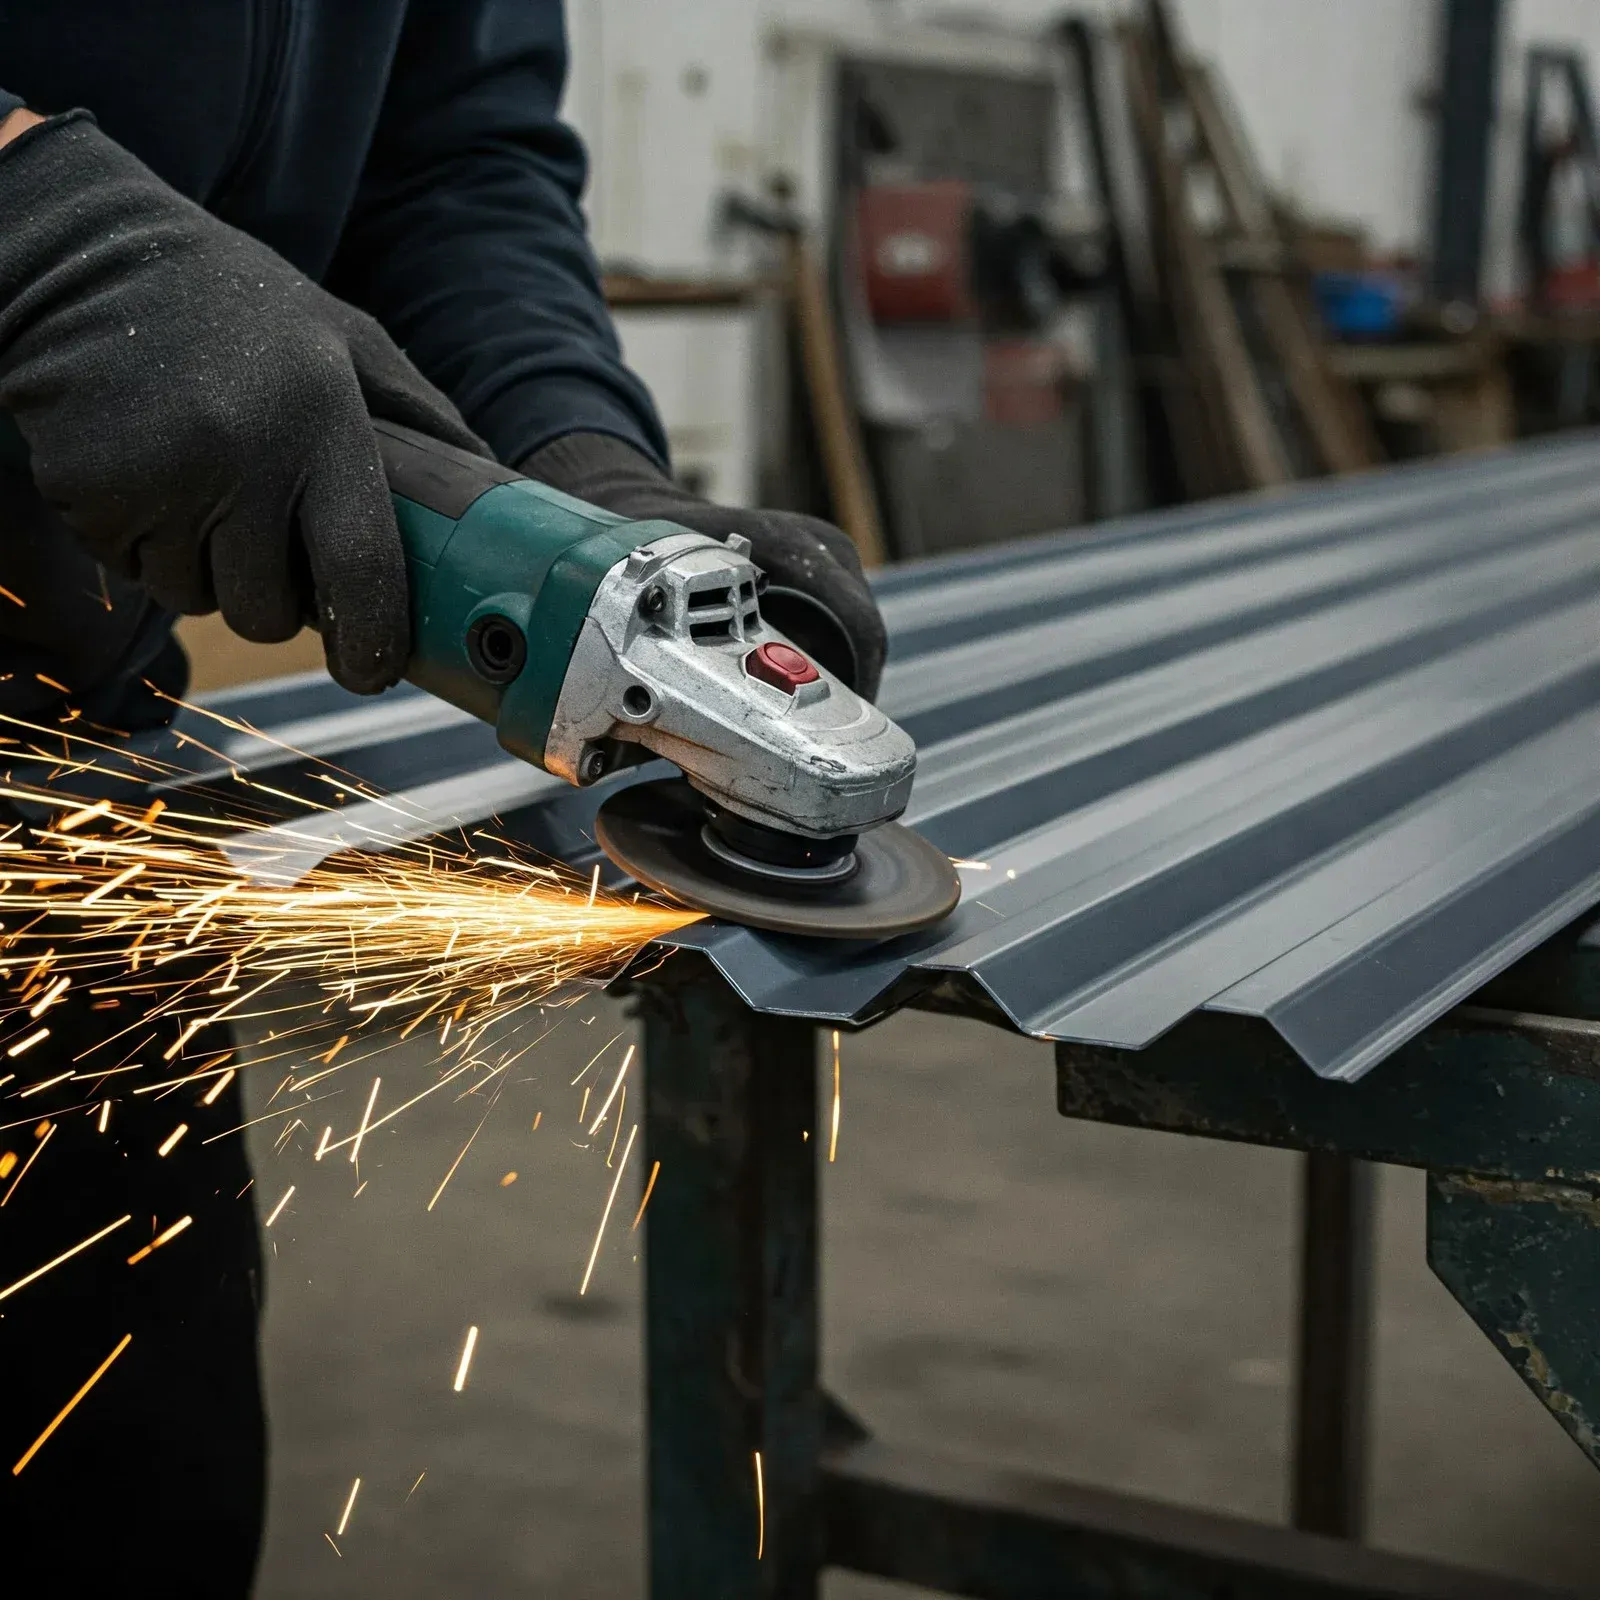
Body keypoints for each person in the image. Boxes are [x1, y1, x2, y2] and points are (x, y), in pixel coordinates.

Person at [0, 6, 885, 1591]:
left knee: (135, 1486)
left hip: (64, 772)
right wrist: (29, 220)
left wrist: (582, 477)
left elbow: (452, 159)